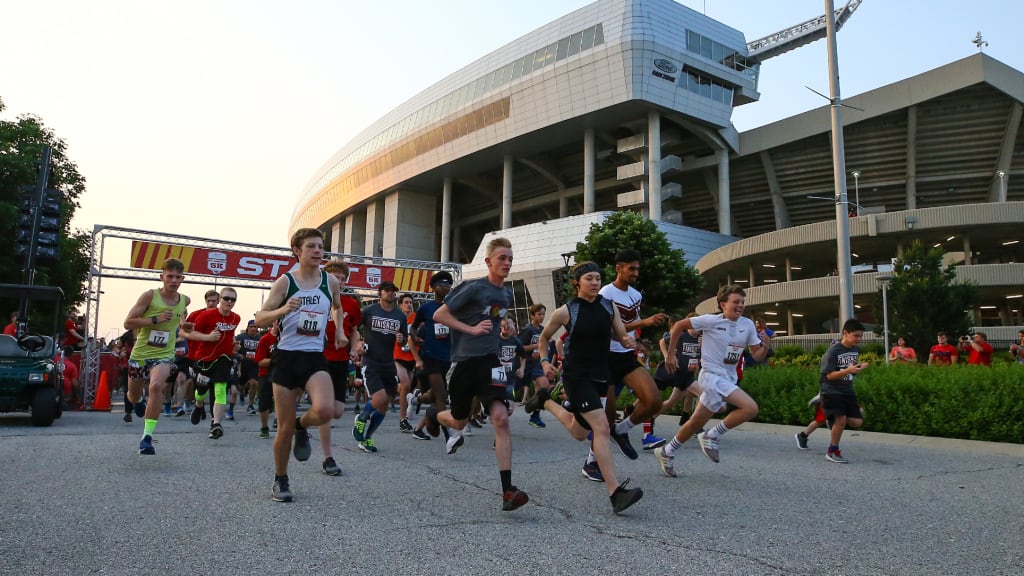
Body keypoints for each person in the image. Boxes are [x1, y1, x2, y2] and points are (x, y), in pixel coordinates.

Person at [527, 261, 644, 513]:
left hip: (602, 375)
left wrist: (629, 340)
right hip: (577, 376)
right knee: (601, 428)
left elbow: (620, 334)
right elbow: (545, 338)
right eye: (589, 278)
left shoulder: (607, 305)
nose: (594, 283)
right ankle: (616, 493)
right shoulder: (566, 311)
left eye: (597, 278)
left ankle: (544, 400)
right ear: (577, 283)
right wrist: (546, 361)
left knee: (579, 432)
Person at [425, 237, 530, 511]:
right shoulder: (473, 288)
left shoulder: (506, 295)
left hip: (491, 361)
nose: (507, 263)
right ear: (488, 261)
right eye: (502, 258)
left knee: (501, 417)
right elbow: (440, 315)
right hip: (464, 363)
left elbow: (494, 322)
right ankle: (434, 415)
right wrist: (471, 330)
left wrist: (503, 330)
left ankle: (508, 490)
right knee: (459, 423)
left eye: (510, 258)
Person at [255, 227, 346, 503]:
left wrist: (339, 330)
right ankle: (281, 479)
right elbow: (260, 318)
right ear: (297, 250)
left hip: (313, 356)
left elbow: (338, 306)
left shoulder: (330, 282)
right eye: (312, 247)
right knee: (282, 429)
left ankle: (300, 425)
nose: (318, 251)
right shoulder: (286, 282)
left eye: (320, 246)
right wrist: (283, 310)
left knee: (326, 410)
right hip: (285, 357)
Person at [653, 284, 770, 477]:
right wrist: (671, 354)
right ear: (723, 304)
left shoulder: (747, 324)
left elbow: (756, 355)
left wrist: (765, 347)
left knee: (692, 423)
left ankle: (666, 451)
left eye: (742, 302)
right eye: (736, 302)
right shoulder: (710, 321)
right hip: (710, 375)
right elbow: (680, 326)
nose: (740, 305)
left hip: (728, 379)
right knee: (750, 408)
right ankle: (711, 435)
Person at [598, 249, 666, 460]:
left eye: (637, 269)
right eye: (631, 268)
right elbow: (606, 329)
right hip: (605, 357)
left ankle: (622, 430)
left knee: (654, 401)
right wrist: (643, 322)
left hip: (627, 356)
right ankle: (593, 462)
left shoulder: (636, 295)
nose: (635, 273)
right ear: (619, 268)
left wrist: (638, 341)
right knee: (605, 420)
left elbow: (630, 328)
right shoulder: (605, 294)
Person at [123, 258, 192, 455]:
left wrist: (184, 326)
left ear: (183, 279)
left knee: (155, 387)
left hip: (164, 354)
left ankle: (146, 438)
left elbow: (182, 317)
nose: (174, 281)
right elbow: (128, 323)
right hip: (141, 354)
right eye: (170, 276)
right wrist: (155, 319)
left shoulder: (184, 300)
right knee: (133, 395)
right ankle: (137, 403)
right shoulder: (149, 297)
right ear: (162, 277)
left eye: (178, 277)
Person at [350, 281, 407, 452]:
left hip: (389, 363)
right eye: (387, 291)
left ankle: (366, 438)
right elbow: (354, 327)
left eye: (393, 291)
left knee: (384, 404)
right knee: (379, 398)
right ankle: (362, 417)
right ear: (379, 293)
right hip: (371, 362)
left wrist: (401, 339)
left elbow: (403, 337)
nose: (391, 293)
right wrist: (358, 342)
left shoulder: (400, 316)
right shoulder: (369, 311)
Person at [319, 260, 361, 474]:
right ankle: (328, 458)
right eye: (335, 278)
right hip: (317, 358)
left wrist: (354, 347)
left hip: (340, 360)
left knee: (337, 411)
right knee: (326, 410)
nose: (339, 282)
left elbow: (354, 331)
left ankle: (301, 424)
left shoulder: (352, 304)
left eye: (343, 279)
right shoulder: (316, 298)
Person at [187, 287, 242, 440]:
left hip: (224, 358)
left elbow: (229, 335)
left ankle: (216, 423)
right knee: (201, 391)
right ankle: (198, 406)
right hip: (204, 358)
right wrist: (208, 337)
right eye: (227, 298)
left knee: (220, 390)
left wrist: (233, 344)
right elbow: (190, 333)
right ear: (220, 300)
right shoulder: (206, 315)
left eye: (233, 299)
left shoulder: (236, 318)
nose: (229, 302)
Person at [408, 271, 454, 441]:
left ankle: (416, 400)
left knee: (434, 395)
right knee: (441, 395)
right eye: (442, 284)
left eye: (448, 284)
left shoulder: (454, 308)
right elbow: (413, 327)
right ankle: (449, 436)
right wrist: (415, 336)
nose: (446, 288)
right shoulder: (426, 308)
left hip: (448, 357)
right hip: (430, 355)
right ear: (434, 288)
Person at [817, 318, 869, 463]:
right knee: (841, 420)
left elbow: (849, 370)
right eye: (856, 336)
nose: (859, 339)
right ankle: (832, 451)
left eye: (861, 336)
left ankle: (831, 418)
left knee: (857, 421)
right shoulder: (833, 351)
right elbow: (829, 375)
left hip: (847, 390)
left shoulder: (855, 350)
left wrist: (857, 368)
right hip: (831, 389)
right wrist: (849, 370)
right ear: (846, 333)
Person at [518, 304, 550, 429]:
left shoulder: (542, 330)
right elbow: (520, 348)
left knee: (544, 386)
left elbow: (546, 346)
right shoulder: (527, 330)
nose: (542, 317)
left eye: (543, 314)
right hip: (526, 363)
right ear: (532, 315)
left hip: (538, 364)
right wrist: (537, 346)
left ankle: (535, 415)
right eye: (539, 314)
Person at [393, 293, 417, 432]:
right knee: (405, 384)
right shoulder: (396, 318)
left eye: (410, 302)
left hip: (412, 357)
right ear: (400, 305)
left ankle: (393, 389)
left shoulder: (416, 318)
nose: (409, 305)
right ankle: (403, 419)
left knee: (407, 389)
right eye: (406, 302)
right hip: (398, 355)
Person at [254, 320, 279, 439]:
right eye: (278, 321)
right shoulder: (265, 339)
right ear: (273, 322)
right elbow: (260, 361)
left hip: (282, 374)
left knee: (282, 398)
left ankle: (278, 421)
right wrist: (277, 361)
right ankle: (264, 427)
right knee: (264, 403)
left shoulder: (288, 339)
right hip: (266, 374)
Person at [235, 320, 262, 415]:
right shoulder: (241, 337)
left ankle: (250, 405)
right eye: (251, 326)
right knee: (240, 386)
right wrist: (238, 355)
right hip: (242, 364)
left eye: (255, 327)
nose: (253, 328)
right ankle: (243, 392)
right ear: (248, 328)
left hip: (254, 365)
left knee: (254, 383)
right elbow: (234, 346)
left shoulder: (260, 338)